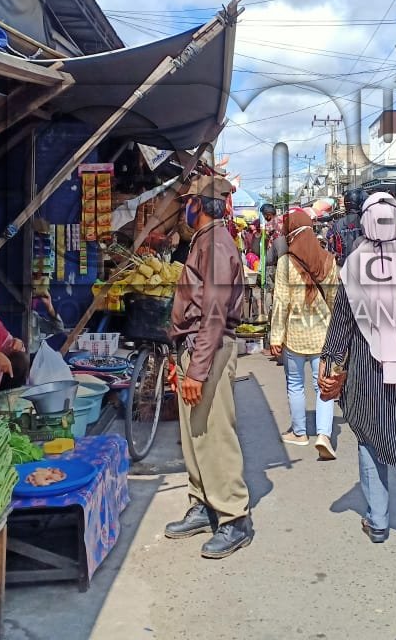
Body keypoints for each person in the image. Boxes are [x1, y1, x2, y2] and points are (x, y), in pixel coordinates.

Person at [319, 193, 396, 547]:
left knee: (370, 440)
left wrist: (329, 361)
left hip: (366, 371)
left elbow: (342, 321)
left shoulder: (353, 266)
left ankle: (378, 520)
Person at [165, 176, 253, 558]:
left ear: (198, 205)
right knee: (195, 432)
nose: (185, 208)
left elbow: (214, 315)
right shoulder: (204, 241)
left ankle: (234, 518)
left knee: (215, 434)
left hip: (209, 347)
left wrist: (197, 370)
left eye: (188, 202)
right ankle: (203, 503)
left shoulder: (216, 244)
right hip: (197, 346)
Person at [269, 210, 340, 459]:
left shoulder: (285, 263)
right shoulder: (329, 261)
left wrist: (275, 337)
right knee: (323, 386)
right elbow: (335, 302)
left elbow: (280, 302)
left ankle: (299, 433)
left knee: (295, 385)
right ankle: (324, 435)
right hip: (324, 337)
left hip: (294, 338)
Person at [327, 188, 367, 265]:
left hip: (344, 264)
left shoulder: (337, 223)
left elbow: (332, 246)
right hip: (364, 263)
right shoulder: (366, 220)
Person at [28, 291, 65, 355]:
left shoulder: (33, 316)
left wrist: (49, 307)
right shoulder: (12, 316)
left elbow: (59, 329)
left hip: (34, 358)